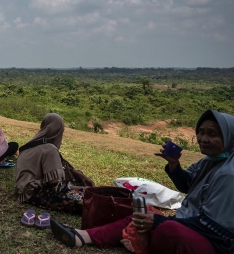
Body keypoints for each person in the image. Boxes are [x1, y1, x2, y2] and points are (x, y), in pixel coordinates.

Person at [50, 109, 234, 254]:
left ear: (229, 137)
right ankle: (83, 237)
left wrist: (159, 221)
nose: (203, 139)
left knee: (167, 230)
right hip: (189, 224)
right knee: (140, 213)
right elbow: (186, 185)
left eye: (212, 134)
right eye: (201, 132)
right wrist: (174, 164)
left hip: (215, 243)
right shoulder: (209, 160)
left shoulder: (228, 174)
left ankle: (142, 241)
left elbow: (213, 226)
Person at [15, 113, 94, 214]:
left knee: (77, 177)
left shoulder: (35, 142)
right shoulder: (50, 149)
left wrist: (83, 177)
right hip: (33, 192)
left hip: (25, 186)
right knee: (86, 201)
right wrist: (84, 189)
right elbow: (57, 186)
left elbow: (64, 164)